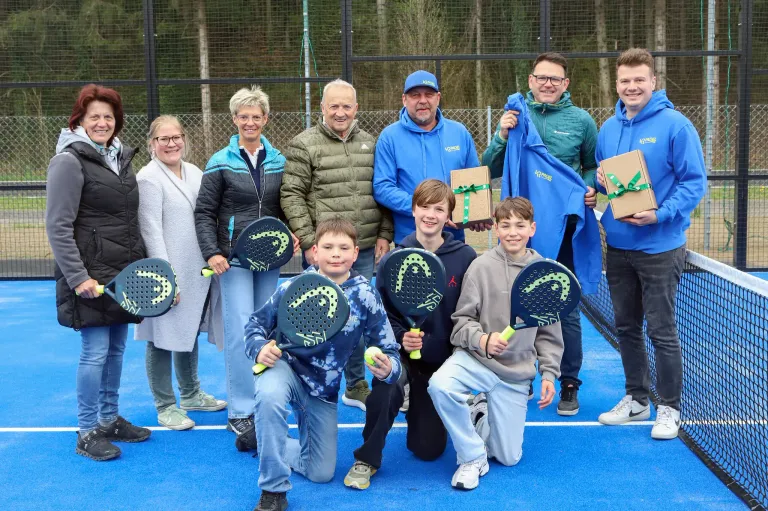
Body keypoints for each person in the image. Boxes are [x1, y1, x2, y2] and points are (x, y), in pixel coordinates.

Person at [244, 217, 402, 511]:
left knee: (320, 473)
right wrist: (259, 348)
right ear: (314, 252)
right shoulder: (291, 287)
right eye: (328, 247)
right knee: (268, 396)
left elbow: (391, 352)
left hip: (322, 390)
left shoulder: (365, 295)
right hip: (285, 369)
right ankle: (273, 490)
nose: (336, 254)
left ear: (355, 253)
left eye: (344, 247)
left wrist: (388, 368)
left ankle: (265, 438)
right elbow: (254, 325)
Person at [595, 48, 706, 440]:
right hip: (620, 246)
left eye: (639, 79)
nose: (632, 87)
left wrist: (659, 214)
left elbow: (695, 182)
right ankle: (637, 398)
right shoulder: (607, 128)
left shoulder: (677, 126)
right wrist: (597, 189)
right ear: (617, 84)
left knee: (661, 330)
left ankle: (669, 407)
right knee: (625, 327)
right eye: (625, 81)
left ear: (653, 82)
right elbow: (603, 175)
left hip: (661, 246)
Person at [482, 52, 599, 415]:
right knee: (513, 302)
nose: (548, 83)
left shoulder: (581, 121)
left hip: (562, 230)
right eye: (541, 77)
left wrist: (590, 187)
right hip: (519, 231)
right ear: (531, 81)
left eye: (556, 79)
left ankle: (568, 382)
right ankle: (521, 376)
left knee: (565, 307)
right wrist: (502, 135)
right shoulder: (515, 118)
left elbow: (593, 166)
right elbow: (488, 165)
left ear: (565, 84)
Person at [343, 179, 477, 490]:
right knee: (387, 388)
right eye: (425, 207)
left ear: (449, 217)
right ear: (413, 209)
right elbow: (381, 314)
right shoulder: (393, 257)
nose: (431, 214)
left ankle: (453, 403)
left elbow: (469, 312)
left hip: (441, 363)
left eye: (439, 209)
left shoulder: (465, 257)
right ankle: (367, 458)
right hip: (401, 355)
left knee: (427, 451)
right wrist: (402, 336)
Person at [428, 197, 564, 491]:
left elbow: (550, 335)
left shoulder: (545, 273)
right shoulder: (480, 266)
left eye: (520, 225)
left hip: (515, 372)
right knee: (439, 384)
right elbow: (461, 323)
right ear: (496, 228)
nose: (513, 232)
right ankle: (472, 457)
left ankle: (480, 414)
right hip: (476, 360)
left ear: (532, 228)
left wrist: (550, 373)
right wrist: (483, 340)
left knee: (508, 457)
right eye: (505, 225)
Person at [45, 84, 151, 461]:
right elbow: (58, 226)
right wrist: (77, 278)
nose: (103, 122)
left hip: (122, 273)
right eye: (95, 117)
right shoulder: (69, 161)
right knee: (95, 352)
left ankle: (108, 419)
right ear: (80, 120)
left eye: (109, 116)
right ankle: (87, 430)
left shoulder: (120, 158)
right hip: (90, 277)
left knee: (118, 349)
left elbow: (128, 220)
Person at [195, 86, 300, 449]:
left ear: (266, 119)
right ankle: (240, 410)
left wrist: (292, 233)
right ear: (235, 119)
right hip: (233, 260)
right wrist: (212, 252)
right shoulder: (219, 161)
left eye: (257, 116)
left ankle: (266, 402)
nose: (250, 122)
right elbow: (205, 212)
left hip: (269, 258)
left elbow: (286, 205)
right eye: (244, 116)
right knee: (241, 331)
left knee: (269, 331)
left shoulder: (280, 160)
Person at [281, 79, 394, 411]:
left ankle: (356, 383)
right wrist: (306, 240)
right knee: (318, 320)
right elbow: (291, 195)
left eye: (347, 106)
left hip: (363, 249)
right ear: (322, 108)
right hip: (325, 253)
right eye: (334, 106)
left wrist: (385, 234)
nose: (341, 112)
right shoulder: (303, 145)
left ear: (356, 108)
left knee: (357, 321)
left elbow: (383, 191)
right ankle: (314, 382)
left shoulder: (373, 144)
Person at [135, 115, 226, 431]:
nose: (171, 143)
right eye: (164, 139)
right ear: (152, 144)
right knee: (159, 337)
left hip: (198, 270)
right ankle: (165, 406)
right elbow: (151, 230)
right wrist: (165, 279)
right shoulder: (148, 178)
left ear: (184, 139)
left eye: (176, 137)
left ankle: (190, 394)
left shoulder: (195, 173)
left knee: (188, 329)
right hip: (167, 275)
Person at [373, 70, 489, 245]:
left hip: (453, 238)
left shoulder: (459, 133)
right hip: (409, 239)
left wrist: (474, 214)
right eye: (415, 95)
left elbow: (472, 184)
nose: (422, 101)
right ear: (404, 99)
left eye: (429, 94)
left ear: (438, 98)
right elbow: (382, 188)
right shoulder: (389, 137)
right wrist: (426, 210)